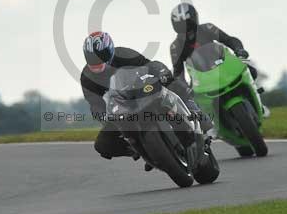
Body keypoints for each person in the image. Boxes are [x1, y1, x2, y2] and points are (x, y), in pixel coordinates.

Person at [81, 31, 205, 160]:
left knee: (171, 81)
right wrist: (103, 116)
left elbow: (149, 64)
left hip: (143, 90)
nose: (97, 65)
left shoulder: (124, 54)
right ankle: (140, 150)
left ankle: (192, 108)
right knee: (102, 145)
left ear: (110, 52)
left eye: (100, 60)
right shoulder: (87, 78)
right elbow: (95, 104)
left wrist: (162, 73)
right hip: (121, 109)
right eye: (92, 61)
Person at [169, 3, 264, 97]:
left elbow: (229, 40)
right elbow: (178, 73)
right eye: (182, 25)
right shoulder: (175, 46)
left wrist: (239, 50)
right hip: (201, 79)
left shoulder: (207, 28)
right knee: (192, 100)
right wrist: (185, 88)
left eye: (189, 23)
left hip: (224, 65)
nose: (187, 30)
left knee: (251, 70)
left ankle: (255, 95)